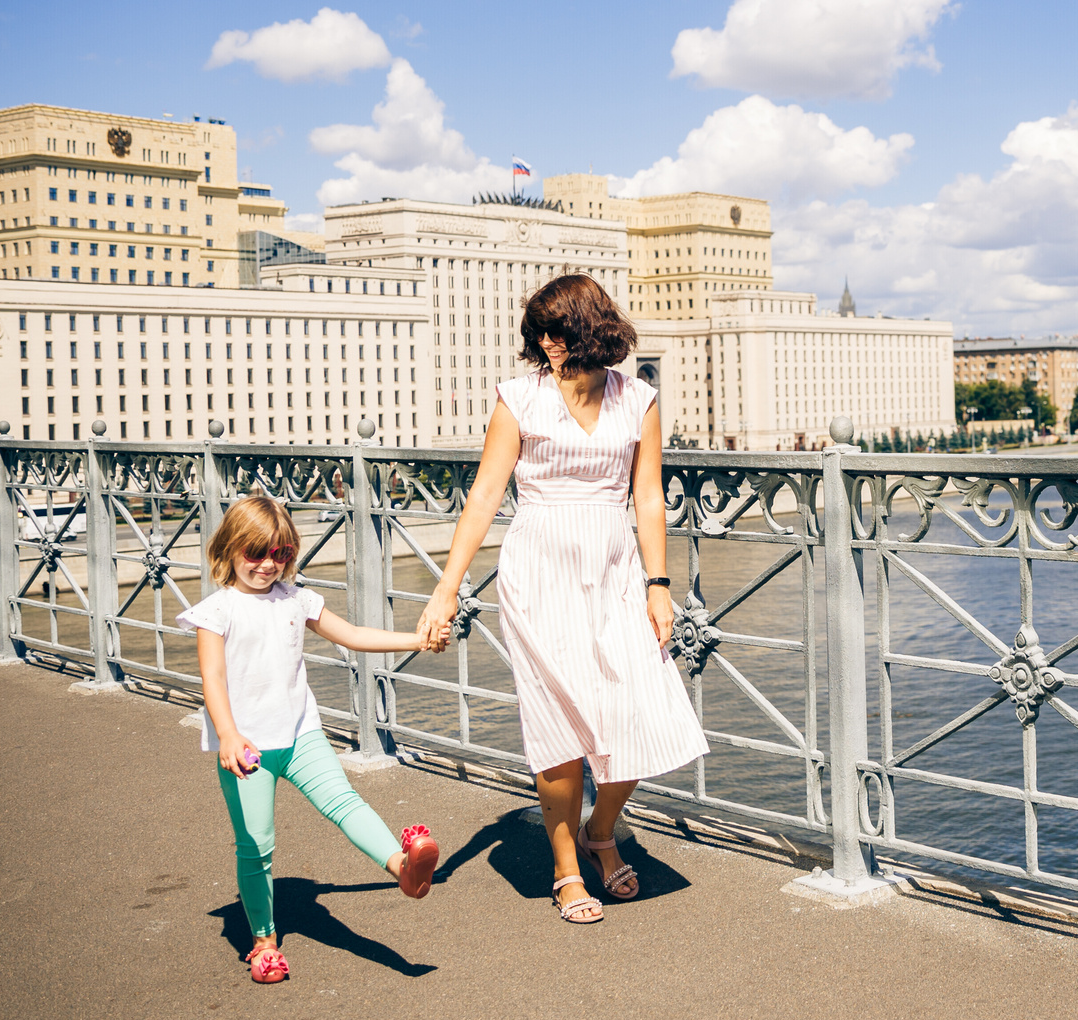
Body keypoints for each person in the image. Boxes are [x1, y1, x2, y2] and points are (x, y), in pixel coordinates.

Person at [420, 273, 707, 925]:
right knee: (557, 723)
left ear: (591, 330)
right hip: (538, 572)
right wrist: (447, 587)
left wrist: (659, 585)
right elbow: (485, 495)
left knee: (639, 710)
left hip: (614, 570)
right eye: (540, 333)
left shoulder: (638, 399)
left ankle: (600, 829)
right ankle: (567, 867)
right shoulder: (519, 397)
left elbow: (648, 497)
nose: (548, 343)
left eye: (560, 331)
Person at [180, 495, 449, 984]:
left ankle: (405, 870)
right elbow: (212, 678)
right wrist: (228, 733)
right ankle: (263, 941)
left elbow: (354, 635)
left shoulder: (296, 599)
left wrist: (418, 640)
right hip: (247, 749)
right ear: (229, 549)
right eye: (255, 553)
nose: (268, 565)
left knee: (345, 802)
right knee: (256, 846)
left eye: (280, 553)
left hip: (301, 732)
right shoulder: (216, 611)